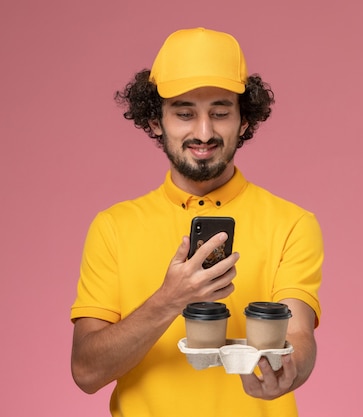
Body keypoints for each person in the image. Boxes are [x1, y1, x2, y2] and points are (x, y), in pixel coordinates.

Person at [70, 27, 323, 417]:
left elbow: (298, 335)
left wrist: (288, 370)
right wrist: (169, 299)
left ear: (243, 121)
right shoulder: (113, 228)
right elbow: (86, 371)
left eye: (220, 113)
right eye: (184, 113)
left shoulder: (292, 223)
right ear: (156, 121)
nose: (203, 133)